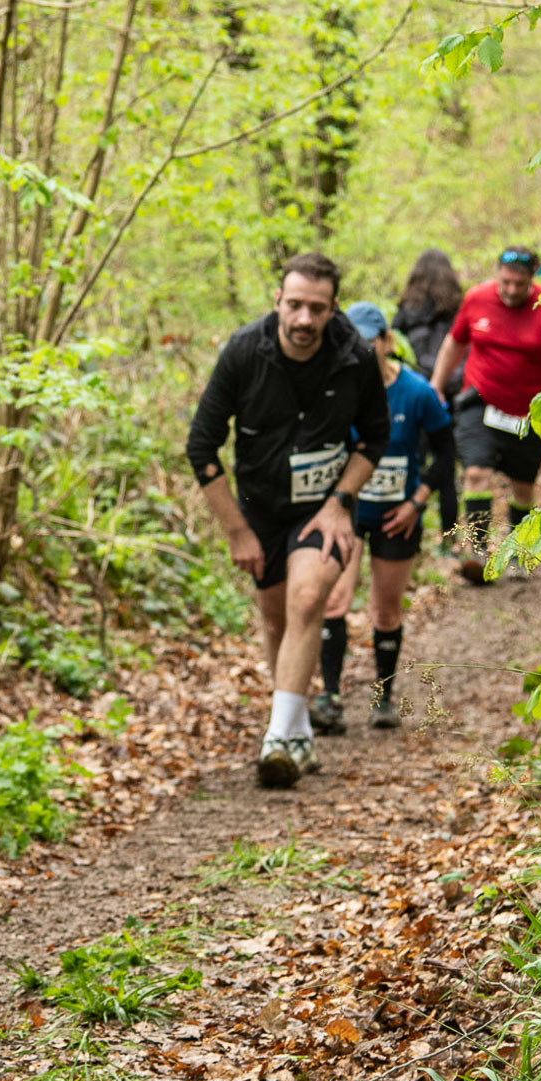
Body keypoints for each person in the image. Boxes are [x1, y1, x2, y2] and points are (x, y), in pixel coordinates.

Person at [185, 253, 389, 790]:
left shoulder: (355, 355)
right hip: (260, 509)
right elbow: (201, 447)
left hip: (325, 509)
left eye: (317, 309)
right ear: (277, 300)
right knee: (277, 622)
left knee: (307, 598)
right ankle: (298, 733)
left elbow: (375, 437)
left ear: (333, 309)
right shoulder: (243, 352)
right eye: (294, 305)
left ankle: (276, 740)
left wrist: (341, 500)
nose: (304, 319)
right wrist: (237, 531)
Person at [311, 303, 454, 734]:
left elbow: (446, 454)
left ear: (386, 341)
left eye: (367, 341)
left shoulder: (416, 392)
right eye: (350, 341)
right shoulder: (335, 388)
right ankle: (330, 698)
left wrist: (417, 502)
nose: (358, 349)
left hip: (398, 515)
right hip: (348, 513)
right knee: (334, 600)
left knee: (385, 611)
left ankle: (383, 699)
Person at [429, 245, 541, 584]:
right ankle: (478, 551)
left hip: (530, 409)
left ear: (532, 280)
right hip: (481, 401)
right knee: (476, 472)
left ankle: (516, 551)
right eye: (505, 282)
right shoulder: (477, 298)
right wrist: (435, 384)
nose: (511, 290)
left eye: (519, 284)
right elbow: (455, 342)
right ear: (497, 274)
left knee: (522, 486)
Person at [392, 249, 466, 543]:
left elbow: (395, 348)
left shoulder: (406, 309)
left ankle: (412, 533)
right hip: (451, 393)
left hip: (416, 394)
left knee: (415, 463)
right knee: (445, 465)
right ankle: (449, 537)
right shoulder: (458, 306)